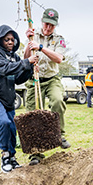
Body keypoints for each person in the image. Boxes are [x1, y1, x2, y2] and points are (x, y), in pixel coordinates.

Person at [0, 25, 37, 173]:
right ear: (0, 40)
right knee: (3, 122)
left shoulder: (15, 57)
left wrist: (30, 69)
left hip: (9, 98)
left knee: (13, 127)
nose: (10, 42)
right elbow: (4, 68)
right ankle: (5, 156)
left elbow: (18, 79)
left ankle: (13, 158)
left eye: (12, 40)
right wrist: (26, 62)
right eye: (6, 39)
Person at [24, 8, 71, 149]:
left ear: (55, 25)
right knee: (32, 113)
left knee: (57, 100)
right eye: (46, 24)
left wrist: (40, 47)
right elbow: (26, 58)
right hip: (35, 79)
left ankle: (60, 135)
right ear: (42, 22)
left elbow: (58, 58)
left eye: (52, 25)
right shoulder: (33, 35)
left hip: (52, 79)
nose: (48, 28)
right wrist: (29, 42)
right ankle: (35, 151)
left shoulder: (59, 40)